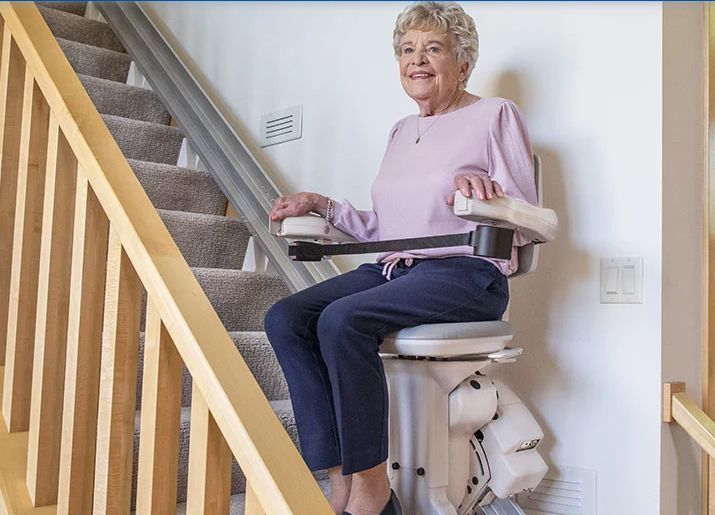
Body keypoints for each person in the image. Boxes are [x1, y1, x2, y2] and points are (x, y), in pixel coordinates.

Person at [264, 2, 537, 514]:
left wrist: (484, 197)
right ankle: (340, 472)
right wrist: (322, 205)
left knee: (342, 320)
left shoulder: (494, 114)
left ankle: (371, 486)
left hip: (465, 272)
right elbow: (388, 229)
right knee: (287, 317)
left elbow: (526, 216)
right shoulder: (400, 131)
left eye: (434, 48)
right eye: (408, 50)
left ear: (462, 63)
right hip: (396, 268)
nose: (418, 60)